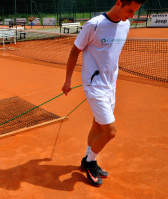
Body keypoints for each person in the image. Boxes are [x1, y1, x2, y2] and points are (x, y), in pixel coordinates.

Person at [62, 0, 147, 186]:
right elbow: (74, 52)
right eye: (129, 10)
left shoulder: (126, 25)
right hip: (94, 86)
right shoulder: (94, 25)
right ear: (118, 3)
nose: (132, 15)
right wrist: (68, 80)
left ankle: (87, 159)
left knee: (98, 126)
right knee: (110, 131)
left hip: (111, 86)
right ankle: (90, 161)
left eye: (135, 11)